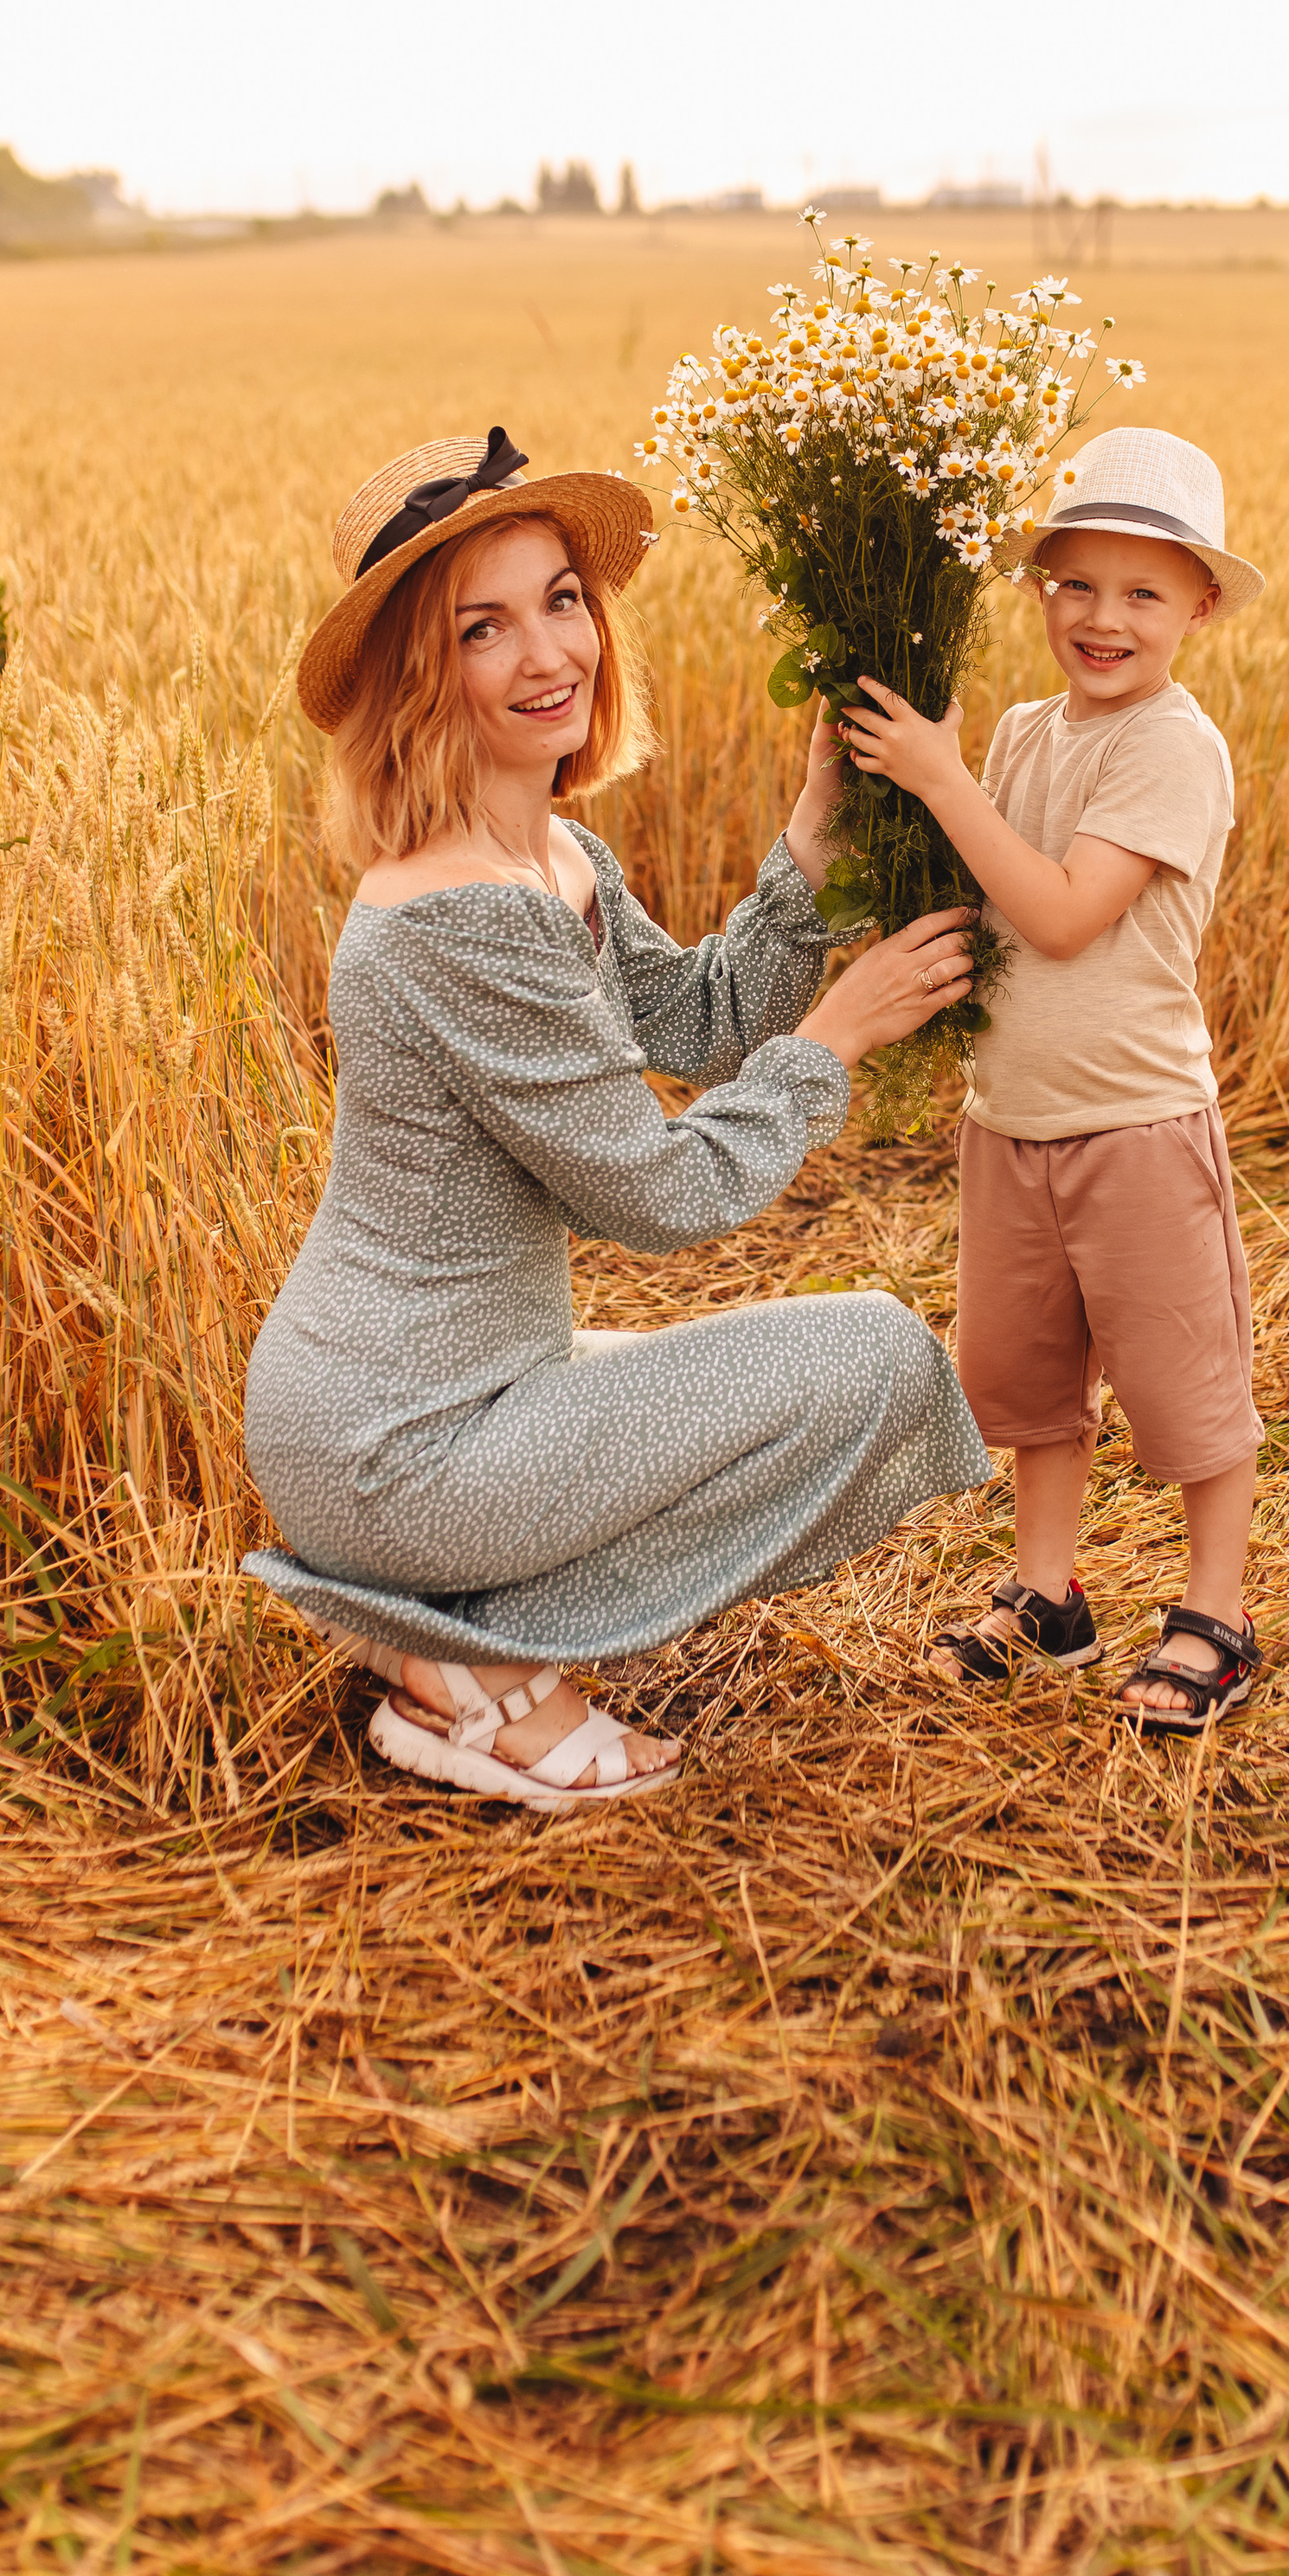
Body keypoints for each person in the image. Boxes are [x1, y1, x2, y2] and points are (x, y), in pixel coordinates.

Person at [242, 425, 988, 1810]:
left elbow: (703, 1019)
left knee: (756, 1388)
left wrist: (811, 837)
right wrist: (838, 1036)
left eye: (562, 601)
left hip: (441, 1400)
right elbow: (658, 1199)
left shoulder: (551, 857)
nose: (548, 656)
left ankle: (441, 1638)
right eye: (485, 629)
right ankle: (475, 1669)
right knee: (871, 1358)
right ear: (422, 677)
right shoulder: (457, 915)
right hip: (399, 1443)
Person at [838, 426, 1268, 1738]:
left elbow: (1071, 915)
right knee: (1029, 1384)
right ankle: (1048, 1595)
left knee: (1182, 1379)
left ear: (1199, 606)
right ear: (1039, 591)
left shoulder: (1173, 749)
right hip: (1009, 1121)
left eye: (1143, 592)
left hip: (1135, 1124)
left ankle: (1217, 1611)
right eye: (1074, 583)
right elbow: (972, 878)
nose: (1103, 617)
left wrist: (944, 779)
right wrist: (903, 773)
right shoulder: (1023, 735)